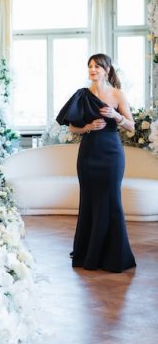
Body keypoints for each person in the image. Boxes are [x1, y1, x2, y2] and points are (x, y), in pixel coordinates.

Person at [56, 53, 136, 272]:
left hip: (111, 154)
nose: (93, 70)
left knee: (111, 200)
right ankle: (88, 253)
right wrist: (87, 127)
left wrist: (116, 116)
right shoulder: (82, 95)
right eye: (90, 66)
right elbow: (72, 127)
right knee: (89, 201)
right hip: (89, 154)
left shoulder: (118, 94)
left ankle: (114, 256)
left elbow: (131, 126)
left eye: (97, 66)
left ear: (107, 70)